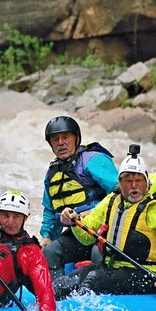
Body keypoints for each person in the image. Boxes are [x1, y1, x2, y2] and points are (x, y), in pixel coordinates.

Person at [52, 144, 156, 298]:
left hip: (147, 274)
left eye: (139, 180)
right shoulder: (112, 200)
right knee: (61, 285)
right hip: (112, 268)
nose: (134, 185)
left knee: (94, 280)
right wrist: (74, 220)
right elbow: (87, 236)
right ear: (120, 183)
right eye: (128, 181)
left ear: (147, 182)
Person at [40, 115, 119, 279]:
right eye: (55, 139)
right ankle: (59, 293)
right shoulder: (52, 174)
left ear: (76, 138)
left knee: (98, 254)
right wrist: (47, 236)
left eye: (65, 137)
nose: (61, 142)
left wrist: (91, 213)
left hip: (105, 231)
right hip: (79, 234)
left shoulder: (93, 160)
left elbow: (120, 192)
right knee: (51, 251)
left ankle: (101, 283)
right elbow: (50, 210)